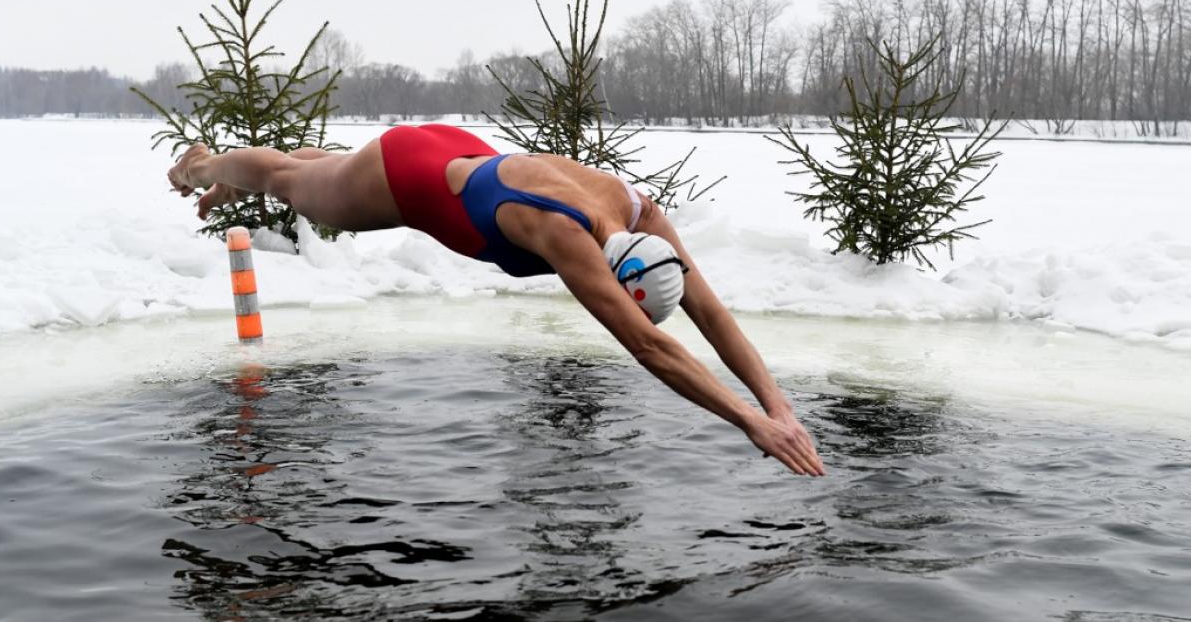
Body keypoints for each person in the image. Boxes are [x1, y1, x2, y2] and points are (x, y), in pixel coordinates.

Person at [167, 124, 825, 476]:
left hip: (460, 153)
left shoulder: (639, 215)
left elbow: (708, 313)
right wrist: (751, 424)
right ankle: (202, 166)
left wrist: (779, 406)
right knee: (290, 181)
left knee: (316, 172)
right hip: (407, 175)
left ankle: (306, 167)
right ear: (613, 274)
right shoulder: (563, 235)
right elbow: (650, 344)